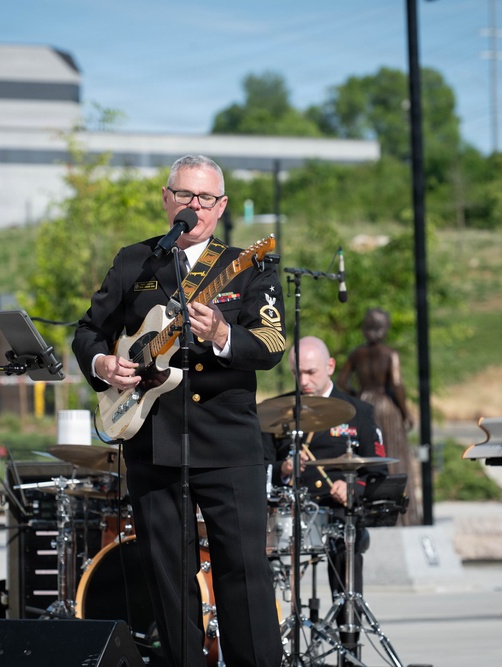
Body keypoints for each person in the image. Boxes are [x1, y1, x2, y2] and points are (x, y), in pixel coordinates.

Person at [72, 155, 286, 667]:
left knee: (243, 575)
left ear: (221, 206)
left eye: (205, 198)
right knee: (168, 579)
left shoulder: (248, 262)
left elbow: (273, 342)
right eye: (185, 195)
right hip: (152, 440)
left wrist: (221, 335)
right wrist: (103, 363)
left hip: (228, 442)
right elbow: (88, 331)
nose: (194, 206)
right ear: (167, 199)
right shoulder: (135, 261)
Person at [266, 336, 386, 624]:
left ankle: (348, 634)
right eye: (298, 373)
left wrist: (352, 487)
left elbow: (378, 472)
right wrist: (283, 470)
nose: (304, 380)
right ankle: (272, 634)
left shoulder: (359, 412)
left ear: (330, 366)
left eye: (311, 372)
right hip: (288, 511)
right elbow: (259, 467)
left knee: (347, 545)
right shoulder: (272, 413)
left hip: (335, 511)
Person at [337, 307, 421, 525]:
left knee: (371, 457)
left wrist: (357, 396)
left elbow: (342, 381)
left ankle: (372, 511)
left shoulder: (357, 354)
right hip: (386, 407)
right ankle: (402, 517)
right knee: (394, 455)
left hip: (364, 403)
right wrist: (406, 412)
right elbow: (397, 383)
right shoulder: (390, 354)